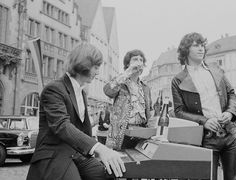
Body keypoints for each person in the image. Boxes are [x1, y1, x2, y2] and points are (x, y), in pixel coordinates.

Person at [27, 43, 125, 180]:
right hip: (54, 154)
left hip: (76, 155)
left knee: (110, 174)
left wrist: (107, 152)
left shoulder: (82, 92)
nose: (97, 73)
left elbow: (83, 131)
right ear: (84, 65)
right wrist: (100, 149)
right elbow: (62, 126)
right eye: (96, 67)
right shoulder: (54, 89)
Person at [171, 32, 236, 180]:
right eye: (196, 45)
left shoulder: (215, 69)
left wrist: (230, 112)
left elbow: (231, 93)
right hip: (205, 138)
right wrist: (204, 121)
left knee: (233, 178)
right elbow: (178, 111)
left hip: (230, 133)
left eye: (202, 45)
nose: (201, 48)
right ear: (186, 50)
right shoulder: (178, 80)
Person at [103, 49, 152, 150]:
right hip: (121, 134)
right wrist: (128, 72)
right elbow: (108, 91)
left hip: (141, 134)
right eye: (135, 59)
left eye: (141, 60)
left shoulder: (146, 88)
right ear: (127, 64)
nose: (139, 62)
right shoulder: (121, 82)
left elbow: (149, 112)